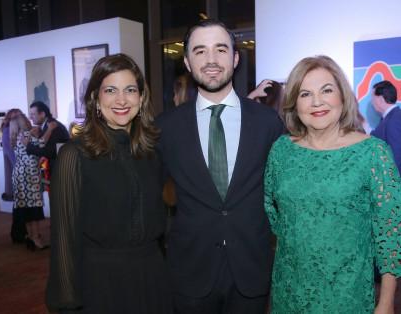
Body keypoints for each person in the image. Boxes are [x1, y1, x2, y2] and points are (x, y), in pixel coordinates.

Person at [156, 19, 284, 314]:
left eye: (221, 50)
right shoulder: (166, 128)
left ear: (235, 58)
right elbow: (150, 197)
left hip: (251, 271)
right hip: (189, 271)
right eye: (200, 51)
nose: (211, 60)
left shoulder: (267, 124)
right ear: (187, 62)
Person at [264, 55, 401, 313]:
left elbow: (390, 233)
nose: (317, 102)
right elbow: (275, 217)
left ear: (342, 95)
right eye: (305, 94)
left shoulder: (373, 153)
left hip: (347, 296)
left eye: (326, 90)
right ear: (294, 102)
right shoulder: (281, 151)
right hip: (289, 294)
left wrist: (386, 302)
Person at [46, 53, 172, 313]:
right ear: (95, 98)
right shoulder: (75, 154)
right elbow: (64, 239)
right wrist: (67, 304)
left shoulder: (151, 152)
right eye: (110, 90)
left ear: (141, 97)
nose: (122, 100)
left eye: (130, 90)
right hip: (101, 284)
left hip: (153, 279)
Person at [10, 113, 53, 250]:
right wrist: (50, 129)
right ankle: (36, 238)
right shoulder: (26, 135)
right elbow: (41, 146)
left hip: (19, 174)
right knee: (33, 208)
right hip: (30, 174)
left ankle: (30, 236)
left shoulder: (14, 137)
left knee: (25, 208)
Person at [26, 101, 69, 175]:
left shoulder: (54, 127)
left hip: (59, 170)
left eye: (33, 114)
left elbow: (48, 152)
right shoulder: (46, 125)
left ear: (42, 114)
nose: (30, 117)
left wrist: (28, 146)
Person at [370, 80, 401, 173]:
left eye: (372, 98)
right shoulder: (390, 118)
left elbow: (397, 157)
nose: (372, 101)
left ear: (380, 99)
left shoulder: (393, 121)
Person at [0, 108, 22, 202]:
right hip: (17, 173)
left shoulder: (7, 129)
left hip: (15, 172)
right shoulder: (9, 130)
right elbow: (13, 157)